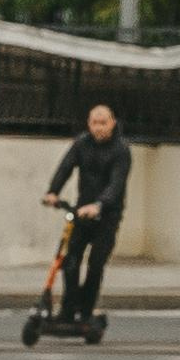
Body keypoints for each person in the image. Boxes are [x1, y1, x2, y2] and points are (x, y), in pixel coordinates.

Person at [44, 102, 130, 325]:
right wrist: (53, 191)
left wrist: (100, 205)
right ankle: (68, 309)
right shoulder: (82, 143)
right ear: (88, 124)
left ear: (112, 123)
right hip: (81, 211)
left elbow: (116, 184)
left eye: (103, 123)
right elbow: (66, 167)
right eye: (94, 123)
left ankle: (86, 309)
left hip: (107, 216)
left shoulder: (121, 149)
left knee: (95, 264)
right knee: (69, 261)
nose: (99, 128)